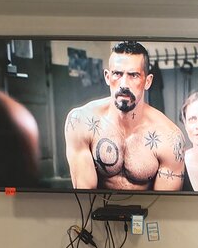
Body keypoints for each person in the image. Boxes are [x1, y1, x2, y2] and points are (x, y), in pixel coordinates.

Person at [65, 41, 185, 191]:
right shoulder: (80, 121)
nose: (124, 84)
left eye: (133, 75)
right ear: (107, 77)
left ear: (148, 82)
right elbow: (84, 196)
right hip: (97, 206)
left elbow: (164, 202)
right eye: (117, 74)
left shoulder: (169, 137)